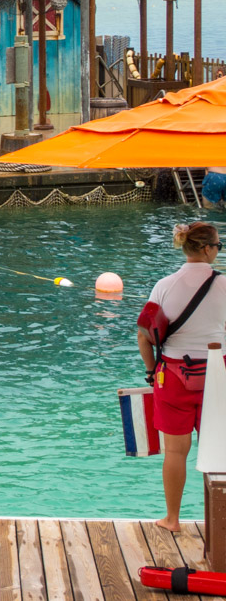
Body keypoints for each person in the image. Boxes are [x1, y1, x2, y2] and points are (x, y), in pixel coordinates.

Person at [136, 220, 226, 531]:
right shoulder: (224, 285)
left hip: (173, 375)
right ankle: (218, 524)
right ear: (206, 248)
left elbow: (143, 335)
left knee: (176, 452)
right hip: (217, 374)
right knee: (219, 452)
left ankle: (172, 519)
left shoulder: (164, 285)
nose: (218, 251)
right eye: (218, 246)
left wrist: (150, 372)